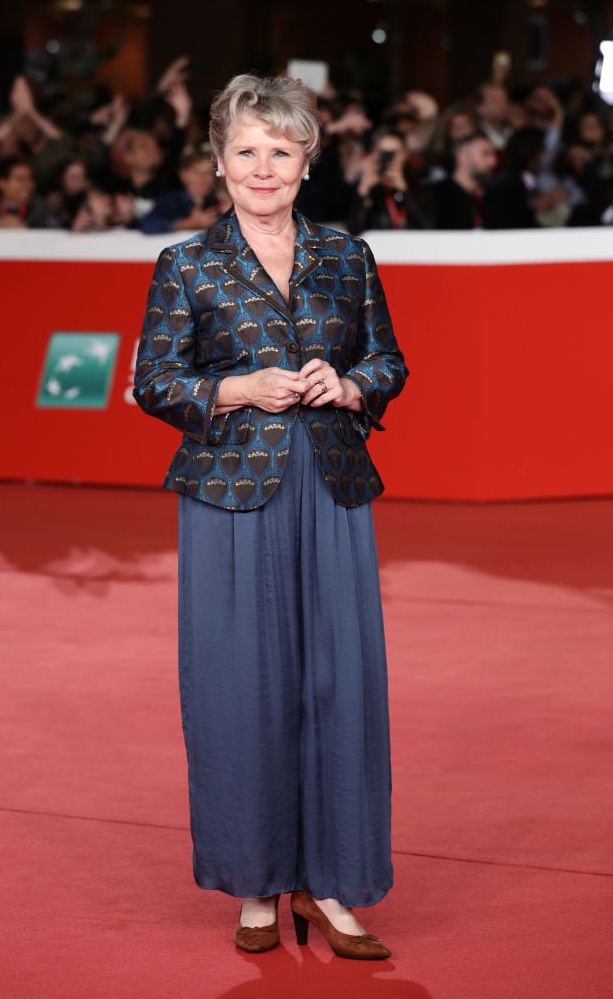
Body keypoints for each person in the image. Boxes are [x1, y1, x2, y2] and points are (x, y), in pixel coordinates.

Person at [134, 73, 408, 960]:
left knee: (341, 687)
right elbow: (156, 381)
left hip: (331, 487)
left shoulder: (347, 255)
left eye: (279, 152)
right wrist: (232, 388)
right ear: (218, 162)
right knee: (240, 689)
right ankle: (256, 884)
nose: (262, 167)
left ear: (304, 162)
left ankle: (332, 884)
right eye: (245, 151)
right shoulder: (185, 264)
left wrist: (352, 383)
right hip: (229, 497)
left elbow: (388, 359)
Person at [347, 126, 428, 233]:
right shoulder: (365, 189)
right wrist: (364, 188)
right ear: (374, 154)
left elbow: (426, 227)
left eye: (393, 154)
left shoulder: (419, 185)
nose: (387, 159)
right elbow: (352, 229)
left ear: (404, 155)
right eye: (383, 153)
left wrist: (404, 189)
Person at [426, 132, 497, 229]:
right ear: (462, 157)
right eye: (485, 154)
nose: (493, 161)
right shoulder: (436, 195)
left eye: (493, 154)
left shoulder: (494, 195)